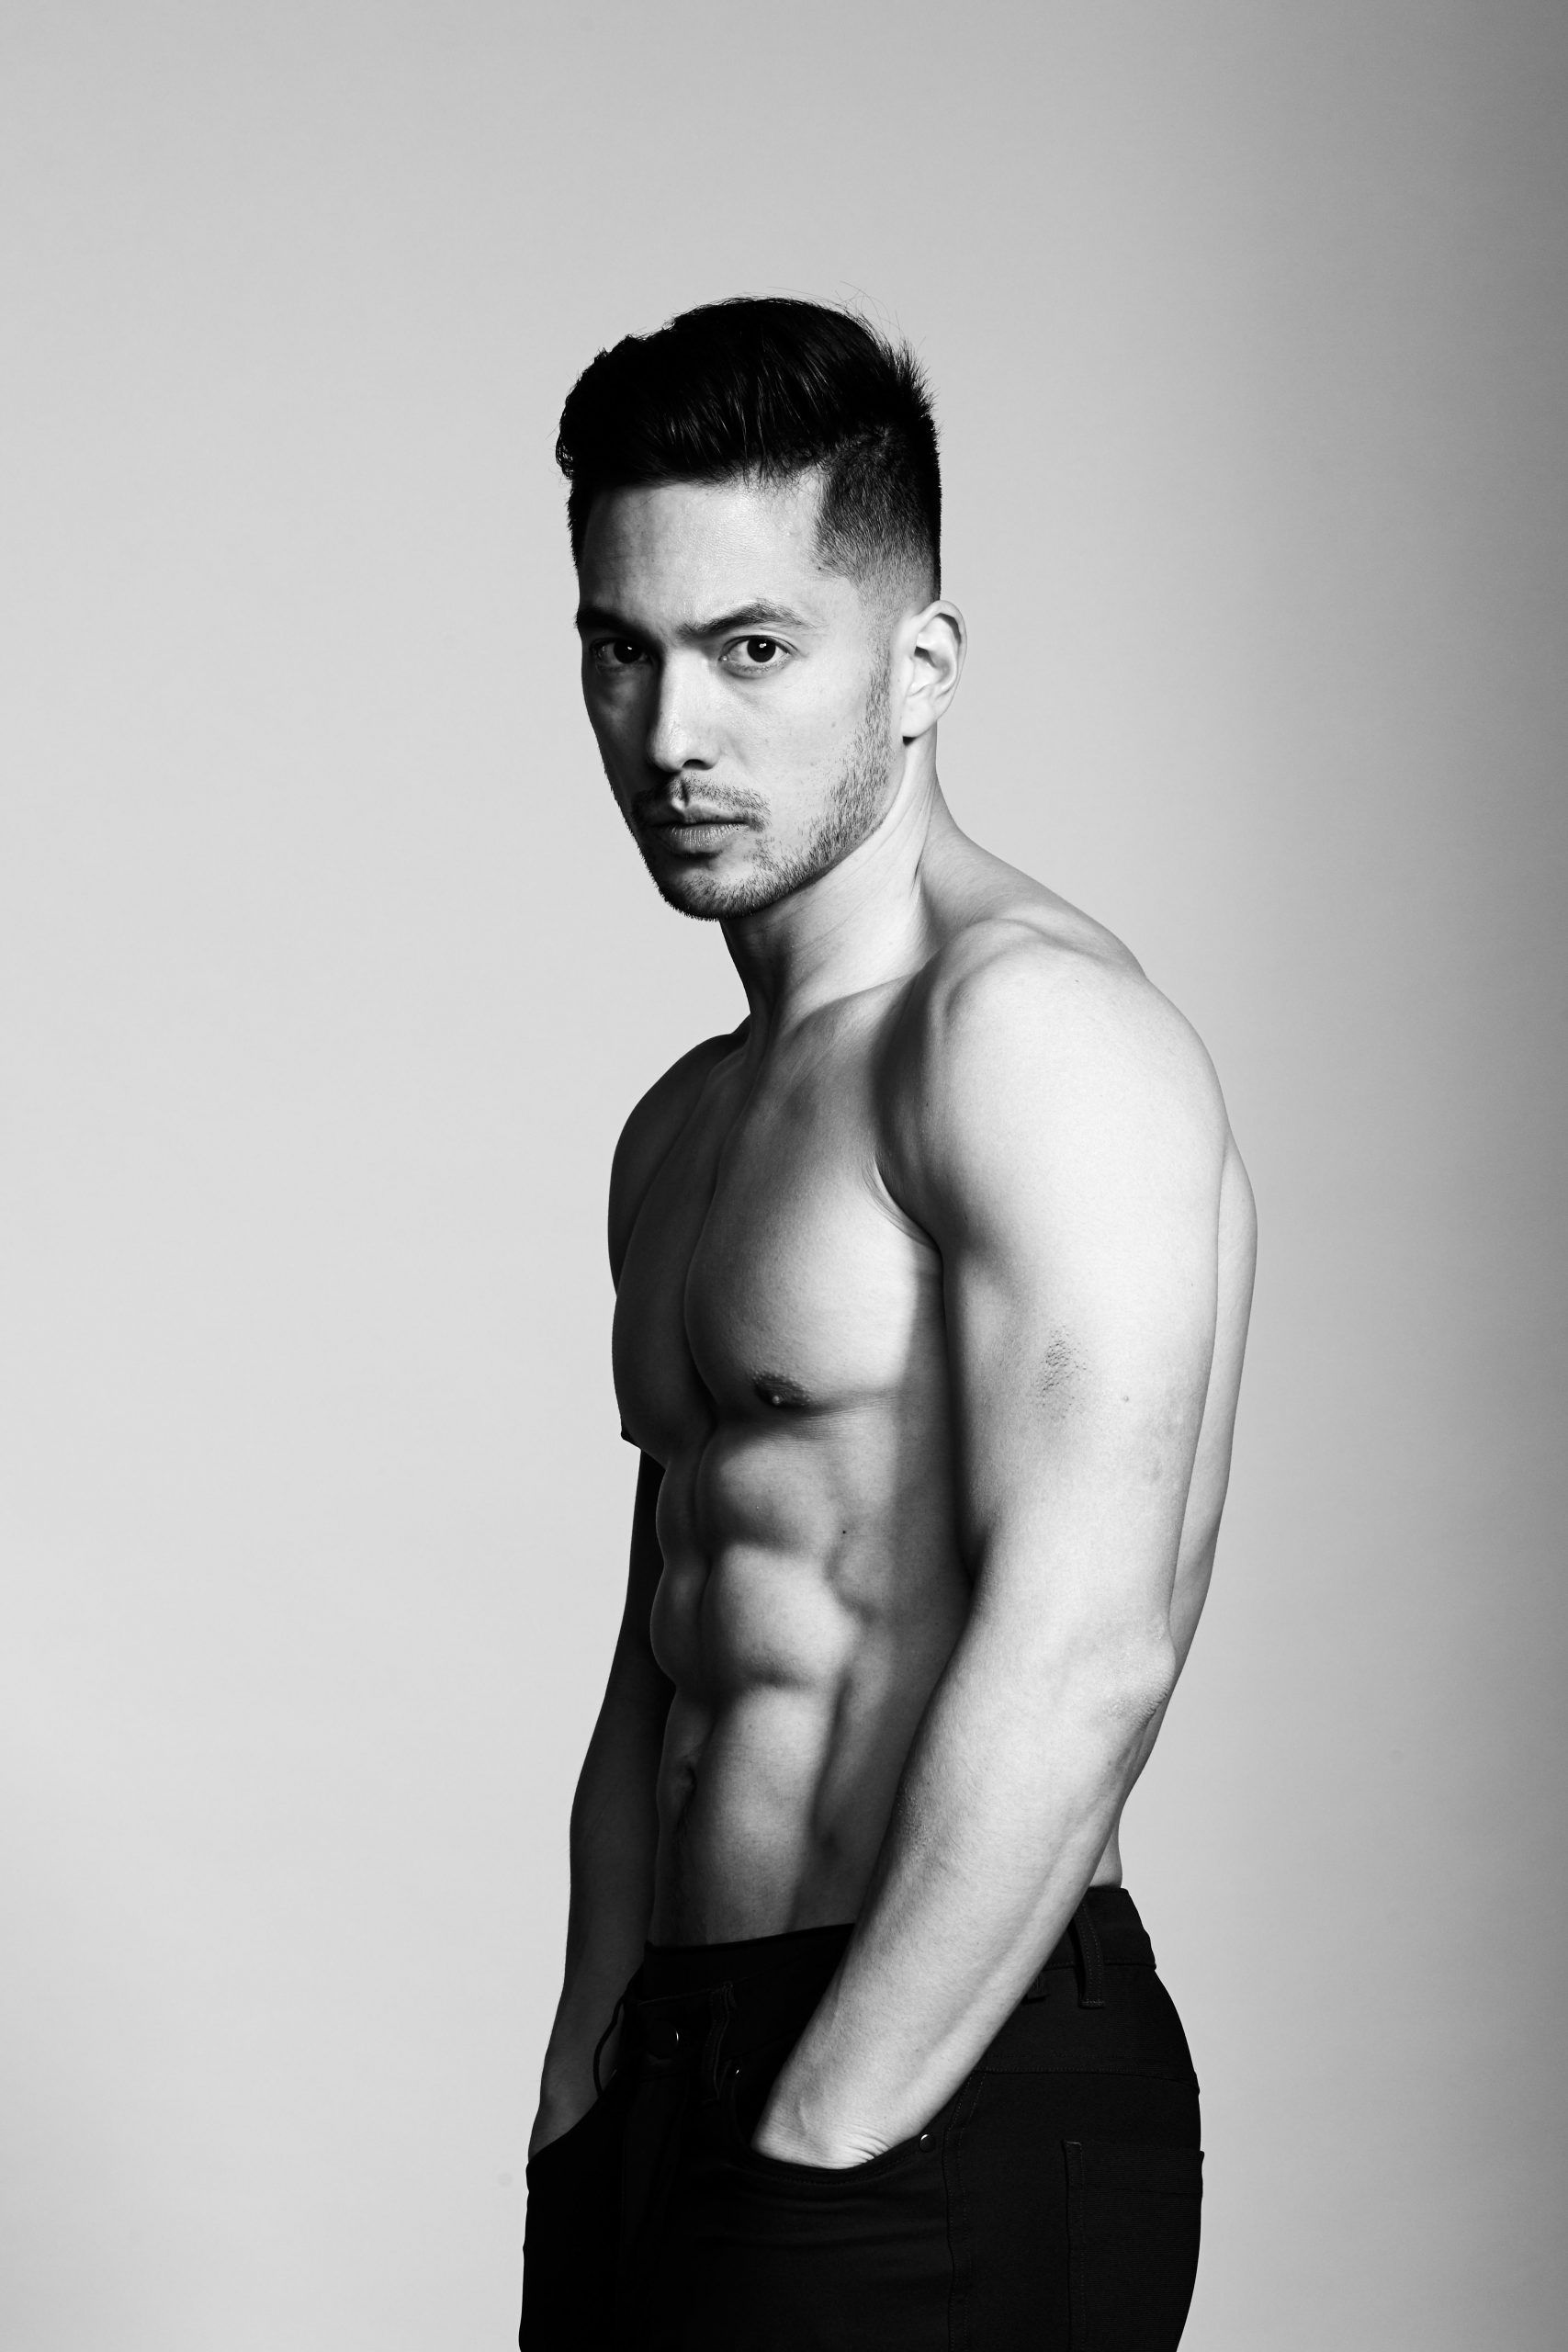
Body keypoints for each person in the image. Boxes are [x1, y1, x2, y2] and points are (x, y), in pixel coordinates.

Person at [519, 298, 1255, 2351]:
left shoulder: (1030, 1038)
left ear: (917, 665)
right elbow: (669, 1646)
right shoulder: (684, 1124)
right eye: (621, 649)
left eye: (752, 649)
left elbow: (1092, 1648)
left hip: (932, 2071)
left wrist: (825, 2130)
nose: (673, 732)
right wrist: (584, 2080)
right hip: (677, 2073)